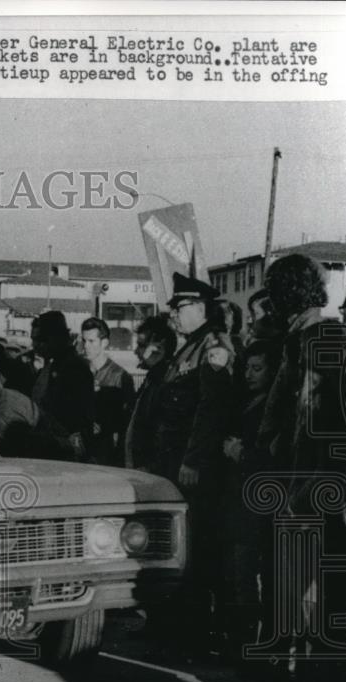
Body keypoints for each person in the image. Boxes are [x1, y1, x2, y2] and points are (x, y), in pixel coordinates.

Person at [256, 254, 346, 682]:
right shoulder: (303, 340)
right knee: (312, 607)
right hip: (306, 494)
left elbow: (343, 428)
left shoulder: (326, 342)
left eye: (274, 296)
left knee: (328, 610)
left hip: (325, 499)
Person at [152, 272, 235, 652]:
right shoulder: (188, 348)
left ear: (201, 308)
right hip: (174, 459)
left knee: (200, 546)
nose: (175, 314)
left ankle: (201, 631)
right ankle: (182, 626)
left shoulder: (213, 346)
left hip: (193, 464)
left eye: (181, 307)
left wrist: (194, 457)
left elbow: (211, 408)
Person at [221, 338, 281, 670]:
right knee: (242, 575)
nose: (249, 374)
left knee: (253, 579)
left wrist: (240, 453)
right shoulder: (248, 403)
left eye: (257, 368)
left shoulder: (272, 408)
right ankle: (246, 644)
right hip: (241, 504)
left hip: (258, 506)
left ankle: (256, 649)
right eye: (247, 367)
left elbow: (271, 458)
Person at [28, 310, 94, 461]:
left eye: (41, 339)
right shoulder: (51, 364)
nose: (36, 345)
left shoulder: (74, 367)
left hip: (64, 450)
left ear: (56, 338)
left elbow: (77, 419)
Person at [125, 314, 177, 472]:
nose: (135, 351)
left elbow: (165, 434)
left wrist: (151, 466)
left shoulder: (166, 383)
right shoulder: (152, 379)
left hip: (149, 471)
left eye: (141, 345)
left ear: (159, 348)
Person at [81, 317, 136, 466]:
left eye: (91, 341)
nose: (86, 346)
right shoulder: (77, 372)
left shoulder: (120, 376)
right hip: (79, 451)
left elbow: (128, 420)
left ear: (104, 343)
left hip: (106, 454)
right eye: (84, 341)